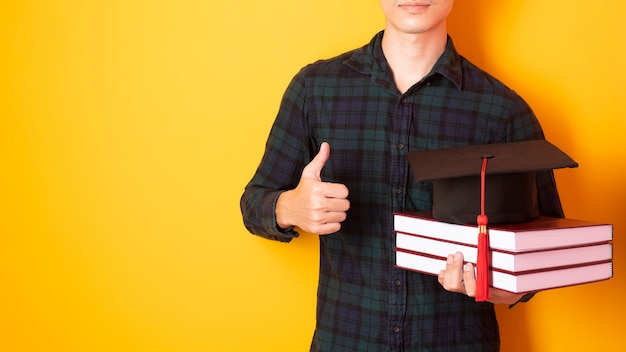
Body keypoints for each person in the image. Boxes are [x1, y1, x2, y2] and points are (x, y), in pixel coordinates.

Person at [240, 1, 564, 350]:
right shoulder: (313, 90)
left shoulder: (503, 110)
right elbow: (253, 203)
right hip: (346, 341)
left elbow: (542, 252)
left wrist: (498, 288)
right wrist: (290, 207)